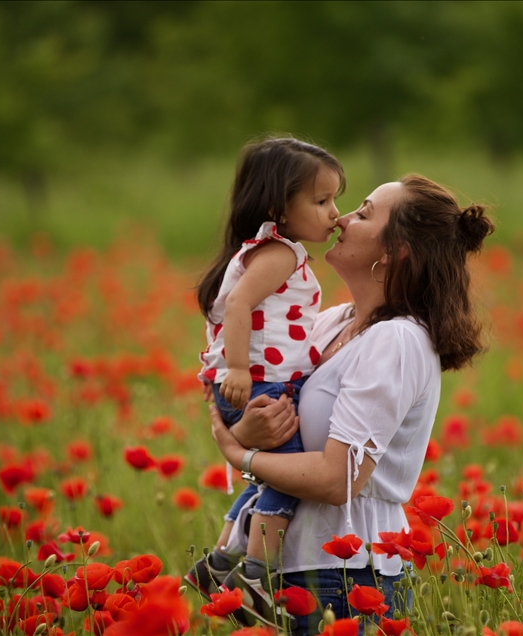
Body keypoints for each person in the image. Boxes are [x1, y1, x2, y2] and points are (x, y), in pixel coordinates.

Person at [210, 174, 495, 633]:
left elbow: (336, 478)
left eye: (363, 213)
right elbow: (246, 403)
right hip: (290, 567)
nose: (341, 217)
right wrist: (244, 435)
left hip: (344, 574)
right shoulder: (330, 324)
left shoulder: (397, 340)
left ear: (396, 251)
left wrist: (240, 454)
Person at [186, 137, 345, 624]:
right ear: (279, 207)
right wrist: (237, 370)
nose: (334, 214)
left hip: (260, 382)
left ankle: (220, 561)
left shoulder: (264, 251)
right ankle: (256, 571)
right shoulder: (277, 252)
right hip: (260, 385)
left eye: (335, 199)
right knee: (289, 479)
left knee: (266, 475)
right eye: (321, 202)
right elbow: (237, 307)